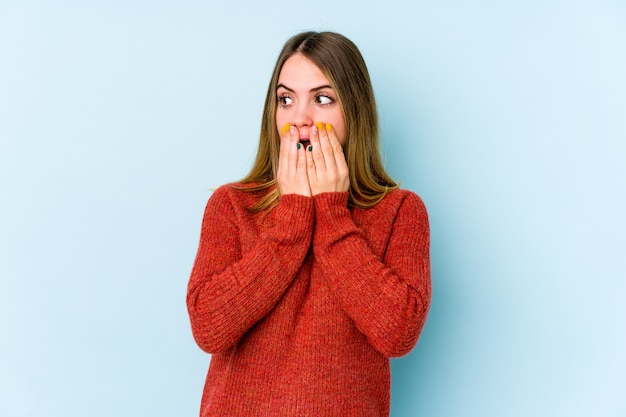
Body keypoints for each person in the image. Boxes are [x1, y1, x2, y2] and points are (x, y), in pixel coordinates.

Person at [186, 31, 431, 417]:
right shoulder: (231, 205)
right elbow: (209, 327)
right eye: (286, 99)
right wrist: (293, 215)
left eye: (322, 99)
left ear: (354, 110)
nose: (300, 118)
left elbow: (398, 333)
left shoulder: (400, 211)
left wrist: (332, 212)